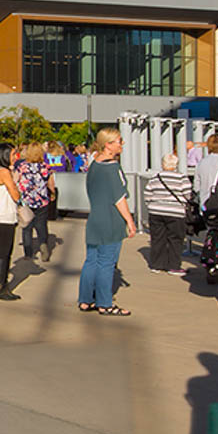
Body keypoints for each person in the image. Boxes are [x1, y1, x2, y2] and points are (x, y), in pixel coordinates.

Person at [79, 127, 135, 316]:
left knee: (91, 260)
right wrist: (130, 220)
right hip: (110, 220)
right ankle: (105, 303)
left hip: (95, 218)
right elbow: (119, 197)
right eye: (119, 141)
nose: (122, 144)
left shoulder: (94, 163)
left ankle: (85, 299)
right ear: (108, 145)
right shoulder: (112, 167)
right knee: (107, 262)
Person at [143, 151, 193, 276]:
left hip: (156, 211)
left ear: (163, 164)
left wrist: (151, 205)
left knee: (157, 238)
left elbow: (147, 194)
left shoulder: (155, 177)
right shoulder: (182, 177)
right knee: (175, 239)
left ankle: (156, 265)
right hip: (175, 212)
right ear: (176, 164)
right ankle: (173, 266)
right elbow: (188, 195)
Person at [0, 143, 22, 301]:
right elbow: (15, 194)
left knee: (5, 250)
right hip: (5, 214)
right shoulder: (4, 171)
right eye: (13, 154)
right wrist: (17, 185)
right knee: (4, 251)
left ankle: (1, 285)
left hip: (0, 214)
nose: (15, 157)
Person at [16, 143, 54, 263]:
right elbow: (51, 183)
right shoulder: (45, 167)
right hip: (41, 199)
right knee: (41, 224)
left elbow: (15, 180)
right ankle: (43, 245)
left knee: (27, 226)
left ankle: (28, 252)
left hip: (26, 200)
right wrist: (52, 193)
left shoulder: (22, 166)